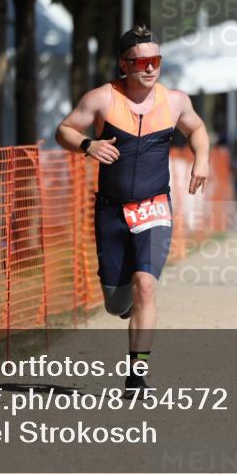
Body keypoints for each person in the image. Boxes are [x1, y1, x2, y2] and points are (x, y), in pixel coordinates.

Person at [55, 24, 209, 395]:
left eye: (156, 60)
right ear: (124, 64)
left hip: (154, 207)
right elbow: (63, 130)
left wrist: (201, 158)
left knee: (146, 287)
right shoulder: (102, 99)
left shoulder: (174, 101)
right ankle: (125, 305)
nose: (150, 68)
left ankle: (137, 375)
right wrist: (87, 145)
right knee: (115, 301)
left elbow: (198, 128)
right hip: (110, 211)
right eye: (141, 61)